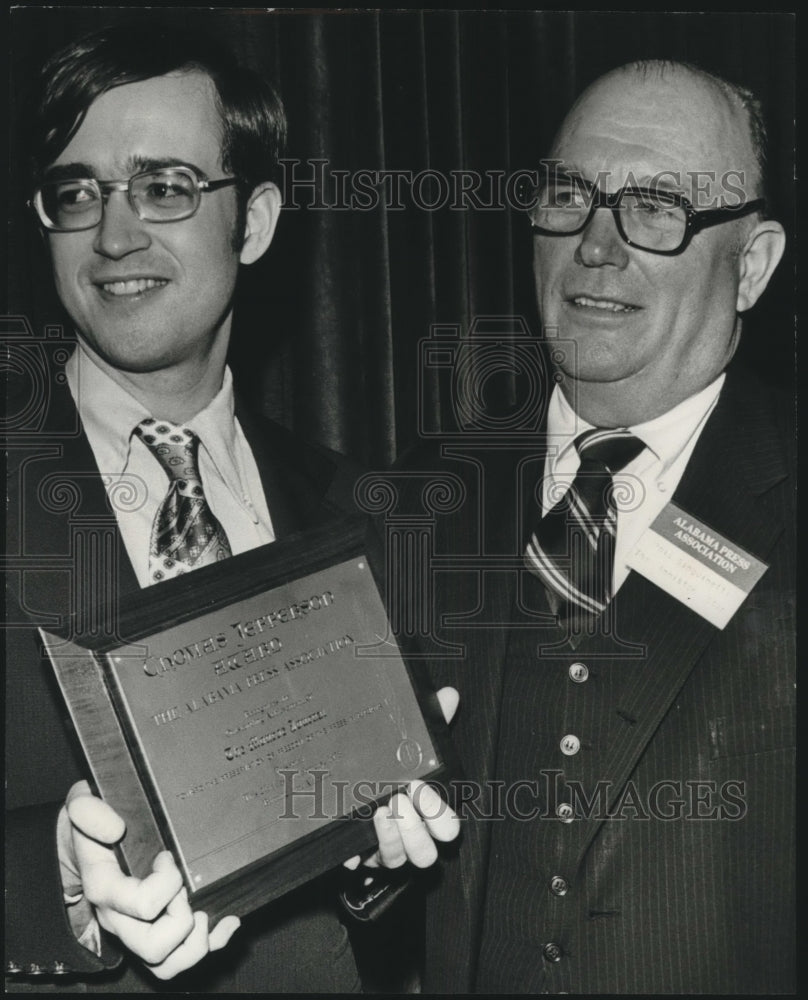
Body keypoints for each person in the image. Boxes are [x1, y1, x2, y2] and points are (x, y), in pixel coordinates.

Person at [4, 23, 457, 992]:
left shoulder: (355, 514)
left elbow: (377, 879)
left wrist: (375, 856)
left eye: (164, 187)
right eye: (78, 191)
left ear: (252, 223)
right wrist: (55, 878)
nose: (113, 235)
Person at [389, 60, 794, 993]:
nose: (598, 246)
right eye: (571, 197)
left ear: (754, 265)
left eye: (656, 207)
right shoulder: (414, 504)